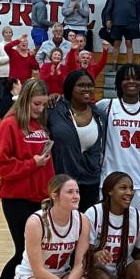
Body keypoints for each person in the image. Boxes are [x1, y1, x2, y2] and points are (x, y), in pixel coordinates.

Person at [0, 78, 55, 279]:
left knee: (34, 252)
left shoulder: (38, 126)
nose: (40, 109)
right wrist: (30, 164)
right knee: (23, 251)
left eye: (43, 105)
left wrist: (51, 192)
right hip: (16, 197)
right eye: (37, 104)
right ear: (25, 99)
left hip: (38, 197)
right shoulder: (9, 125)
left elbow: (46, 165)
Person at [15, 175, 99, 279]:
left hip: (62, 274)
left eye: (77, 191)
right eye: (70, 192)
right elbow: (38, 271)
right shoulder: (36, 221)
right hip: (32, 276)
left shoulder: (82, 220)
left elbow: (80, 264)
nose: (76, 196)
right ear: (54, 195)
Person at [44, 70, 106, 210]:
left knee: (85, 226)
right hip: (62, 180)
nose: (87, 89)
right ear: (70, 88)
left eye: (90, 85)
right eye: (81, 85)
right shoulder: (54, 109)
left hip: (91, 182)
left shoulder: (100, 116)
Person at [97, 64, 140, 212]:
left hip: (139, 180)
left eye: (136, 78)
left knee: (138, 227)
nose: (131, 82)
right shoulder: (106, 105)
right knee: (108, 227)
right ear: (119, 82)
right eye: (126, 78)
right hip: (110, 177)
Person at [102, 0, 140, 67]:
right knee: (116, 44)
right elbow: (109, 8)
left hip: (130, 24)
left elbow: (139, 11)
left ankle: (129, 66)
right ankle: (114, 65)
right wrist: (108, 19)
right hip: (117, 23)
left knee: (129, 43)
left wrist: (136, 23)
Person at [0, 26, 14, 117]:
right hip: (2, 75)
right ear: (3, 34)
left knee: (13, 98)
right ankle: (2, 116)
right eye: (6, 32)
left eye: (10, 32)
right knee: (2, 98)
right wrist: (10, 58)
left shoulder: (16, 45)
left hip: (14, 75)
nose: (8, 34)